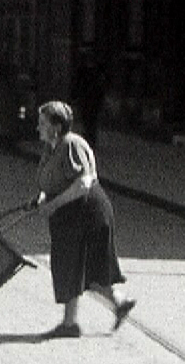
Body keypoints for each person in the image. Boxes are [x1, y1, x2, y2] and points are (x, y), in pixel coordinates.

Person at [29, 100, 135, 338]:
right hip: (70, 213)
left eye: (42, 123)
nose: (37, 127)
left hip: (87, 212)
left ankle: (70, 324)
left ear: (56, 126)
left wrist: (54, 203)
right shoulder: (52, 147)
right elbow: (55, 180)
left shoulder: (71, 144)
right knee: (74, 265)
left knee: (78, 265)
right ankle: (116, 304)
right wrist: (43, 198)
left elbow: (83, 183)